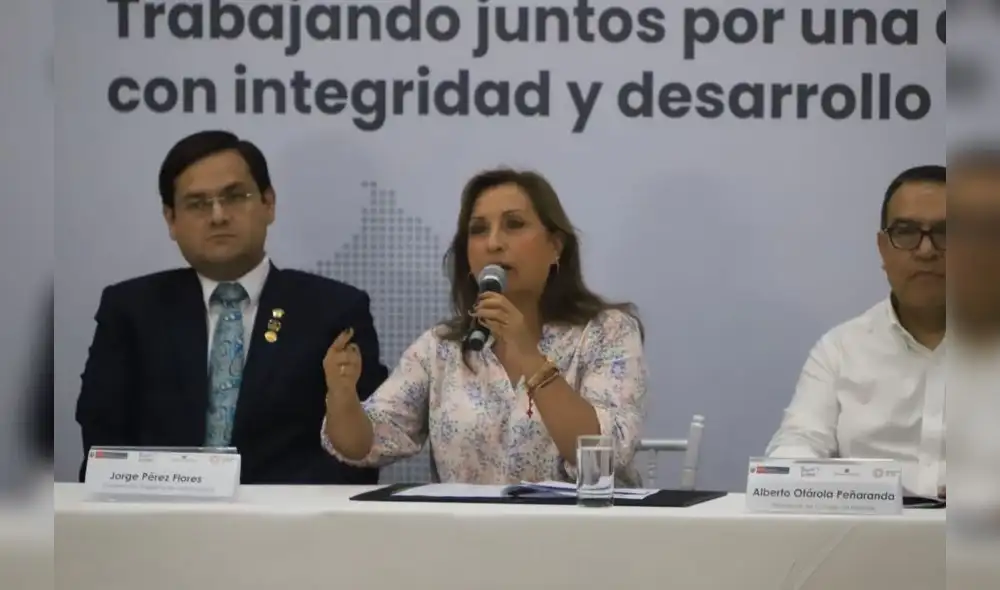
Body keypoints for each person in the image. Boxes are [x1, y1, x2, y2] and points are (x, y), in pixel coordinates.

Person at [75, 130, 388, 484]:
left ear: (269, 204)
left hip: (291, 528)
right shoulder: (131, 311)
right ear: (171, 220)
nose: (218, 215)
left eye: (235, 197)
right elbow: (104, 438)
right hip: (158, 522)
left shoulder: (333, 310)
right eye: (197, 204)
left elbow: (359, 450)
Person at [320, 168, 648, 485]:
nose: (493, 242)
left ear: (555, 246)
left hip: (580, 534)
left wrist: (529, 357)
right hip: (466, 537)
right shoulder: (441, 348)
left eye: (514, 225)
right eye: (478, 230)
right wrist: (343, 396)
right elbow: (363, 445)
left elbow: (608, 452)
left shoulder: (608, 331)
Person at [766, 165, 946, 498]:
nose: (926, 250)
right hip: (868, 541)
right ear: (882, 248)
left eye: (948, 232)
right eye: (906, 232)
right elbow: (797, 444)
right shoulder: (841, 349)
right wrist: (804, 479)